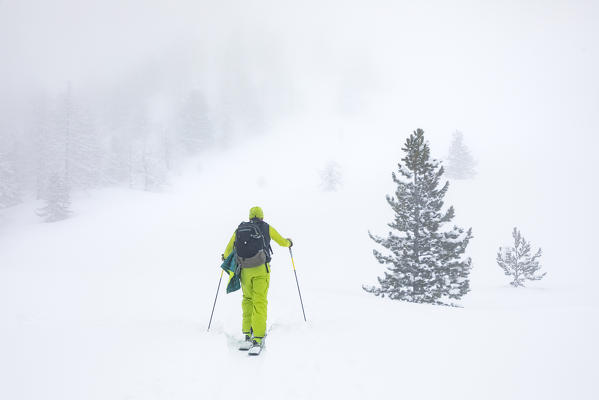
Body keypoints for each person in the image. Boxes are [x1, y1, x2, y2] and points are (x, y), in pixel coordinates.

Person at [222, 206, 292, 351]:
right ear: (262, 217)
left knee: (247, 300)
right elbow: (281, 241)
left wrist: (224, 257)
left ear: (249, 217)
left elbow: (228, 249)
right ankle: (258, 337)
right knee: (259, 302)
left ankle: (247, 334)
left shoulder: (241, 229)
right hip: (261, 270)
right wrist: (289, 243)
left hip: (245, 271)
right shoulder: (266, 227)